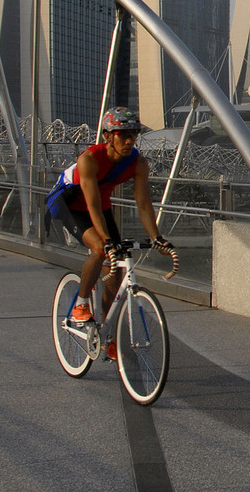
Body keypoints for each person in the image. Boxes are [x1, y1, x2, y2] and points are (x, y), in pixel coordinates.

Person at [48, 108, 173, 361]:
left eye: (133, 135)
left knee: (116, 273)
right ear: (107, 135)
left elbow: (144, 204)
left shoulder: (138, 163)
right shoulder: (90, 159)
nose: (129, 141)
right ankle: (81, 305)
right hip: (71, 204)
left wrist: (157, 236)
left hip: (101, 207)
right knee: (99, 248)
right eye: (122, 135)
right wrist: (106, 242)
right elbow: (91, 205)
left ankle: (106, 335)